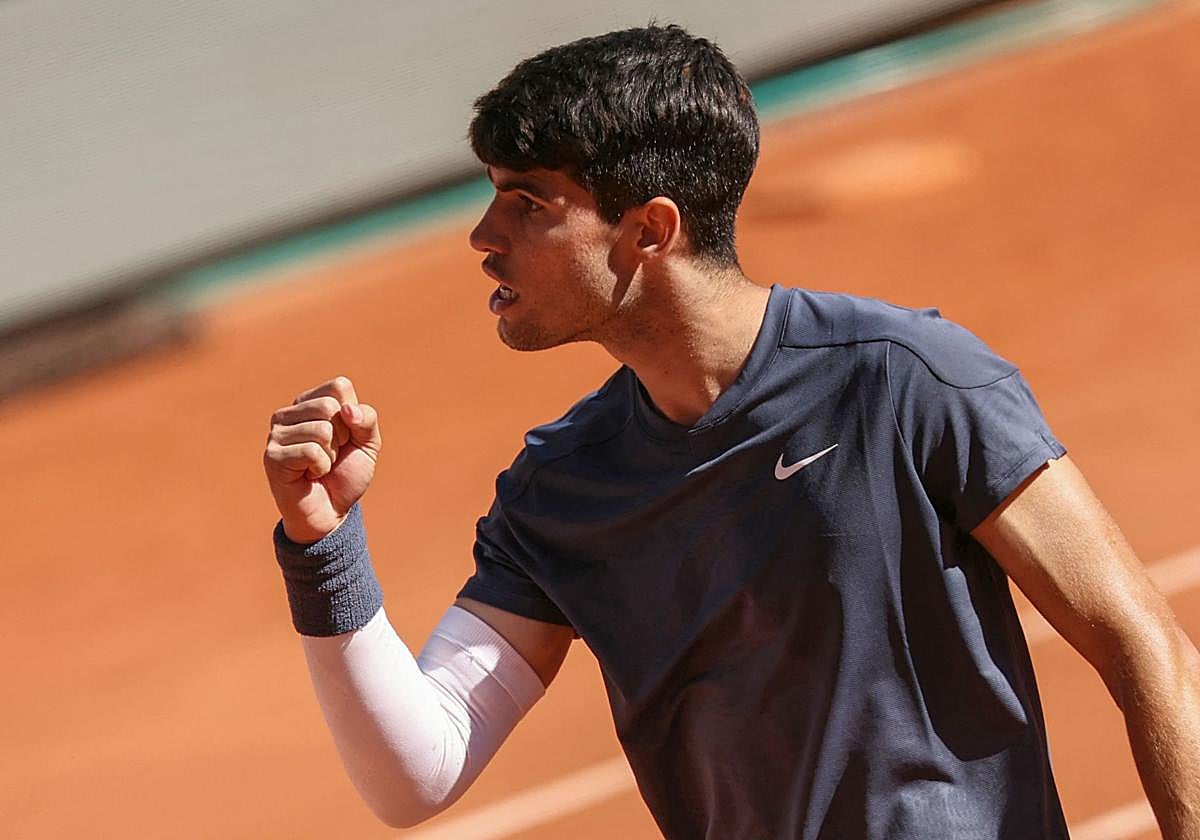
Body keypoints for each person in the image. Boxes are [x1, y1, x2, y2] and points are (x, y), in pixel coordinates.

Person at [263, 25, 1200, 839]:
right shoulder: (561, 490)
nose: (482, 234)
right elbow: (415, 773)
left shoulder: (905, 378)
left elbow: (1138, 639)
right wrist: (322, 544)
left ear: (648, 230)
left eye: (527, 203)